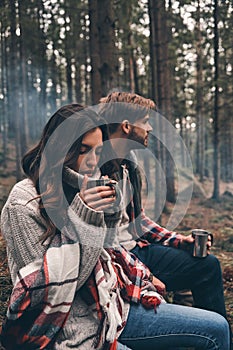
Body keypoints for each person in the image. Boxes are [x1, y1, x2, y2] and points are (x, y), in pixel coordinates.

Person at [0, 103, 230, 350]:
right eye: (83, 150)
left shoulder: (108, 176)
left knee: (217, 326)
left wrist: (109, 217)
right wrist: (86, 216)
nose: (92, 161)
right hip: (72, 323)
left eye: (98, 152)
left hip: (112, 302)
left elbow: (121, 235)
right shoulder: (23, 202)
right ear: (59, 149)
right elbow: (47, 293)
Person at [98, 92, 232, 342]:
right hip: (117, 262)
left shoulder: (129, 162)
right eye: (145, 121)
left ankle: (210, 337)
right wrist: (145, 276)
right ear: (127, 126)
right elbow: (102, 248)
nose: (149, 128)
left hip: (137, 249)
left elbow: (137, 221)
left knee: (208, 265)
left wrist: (178, 240)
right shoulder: (97, 169)